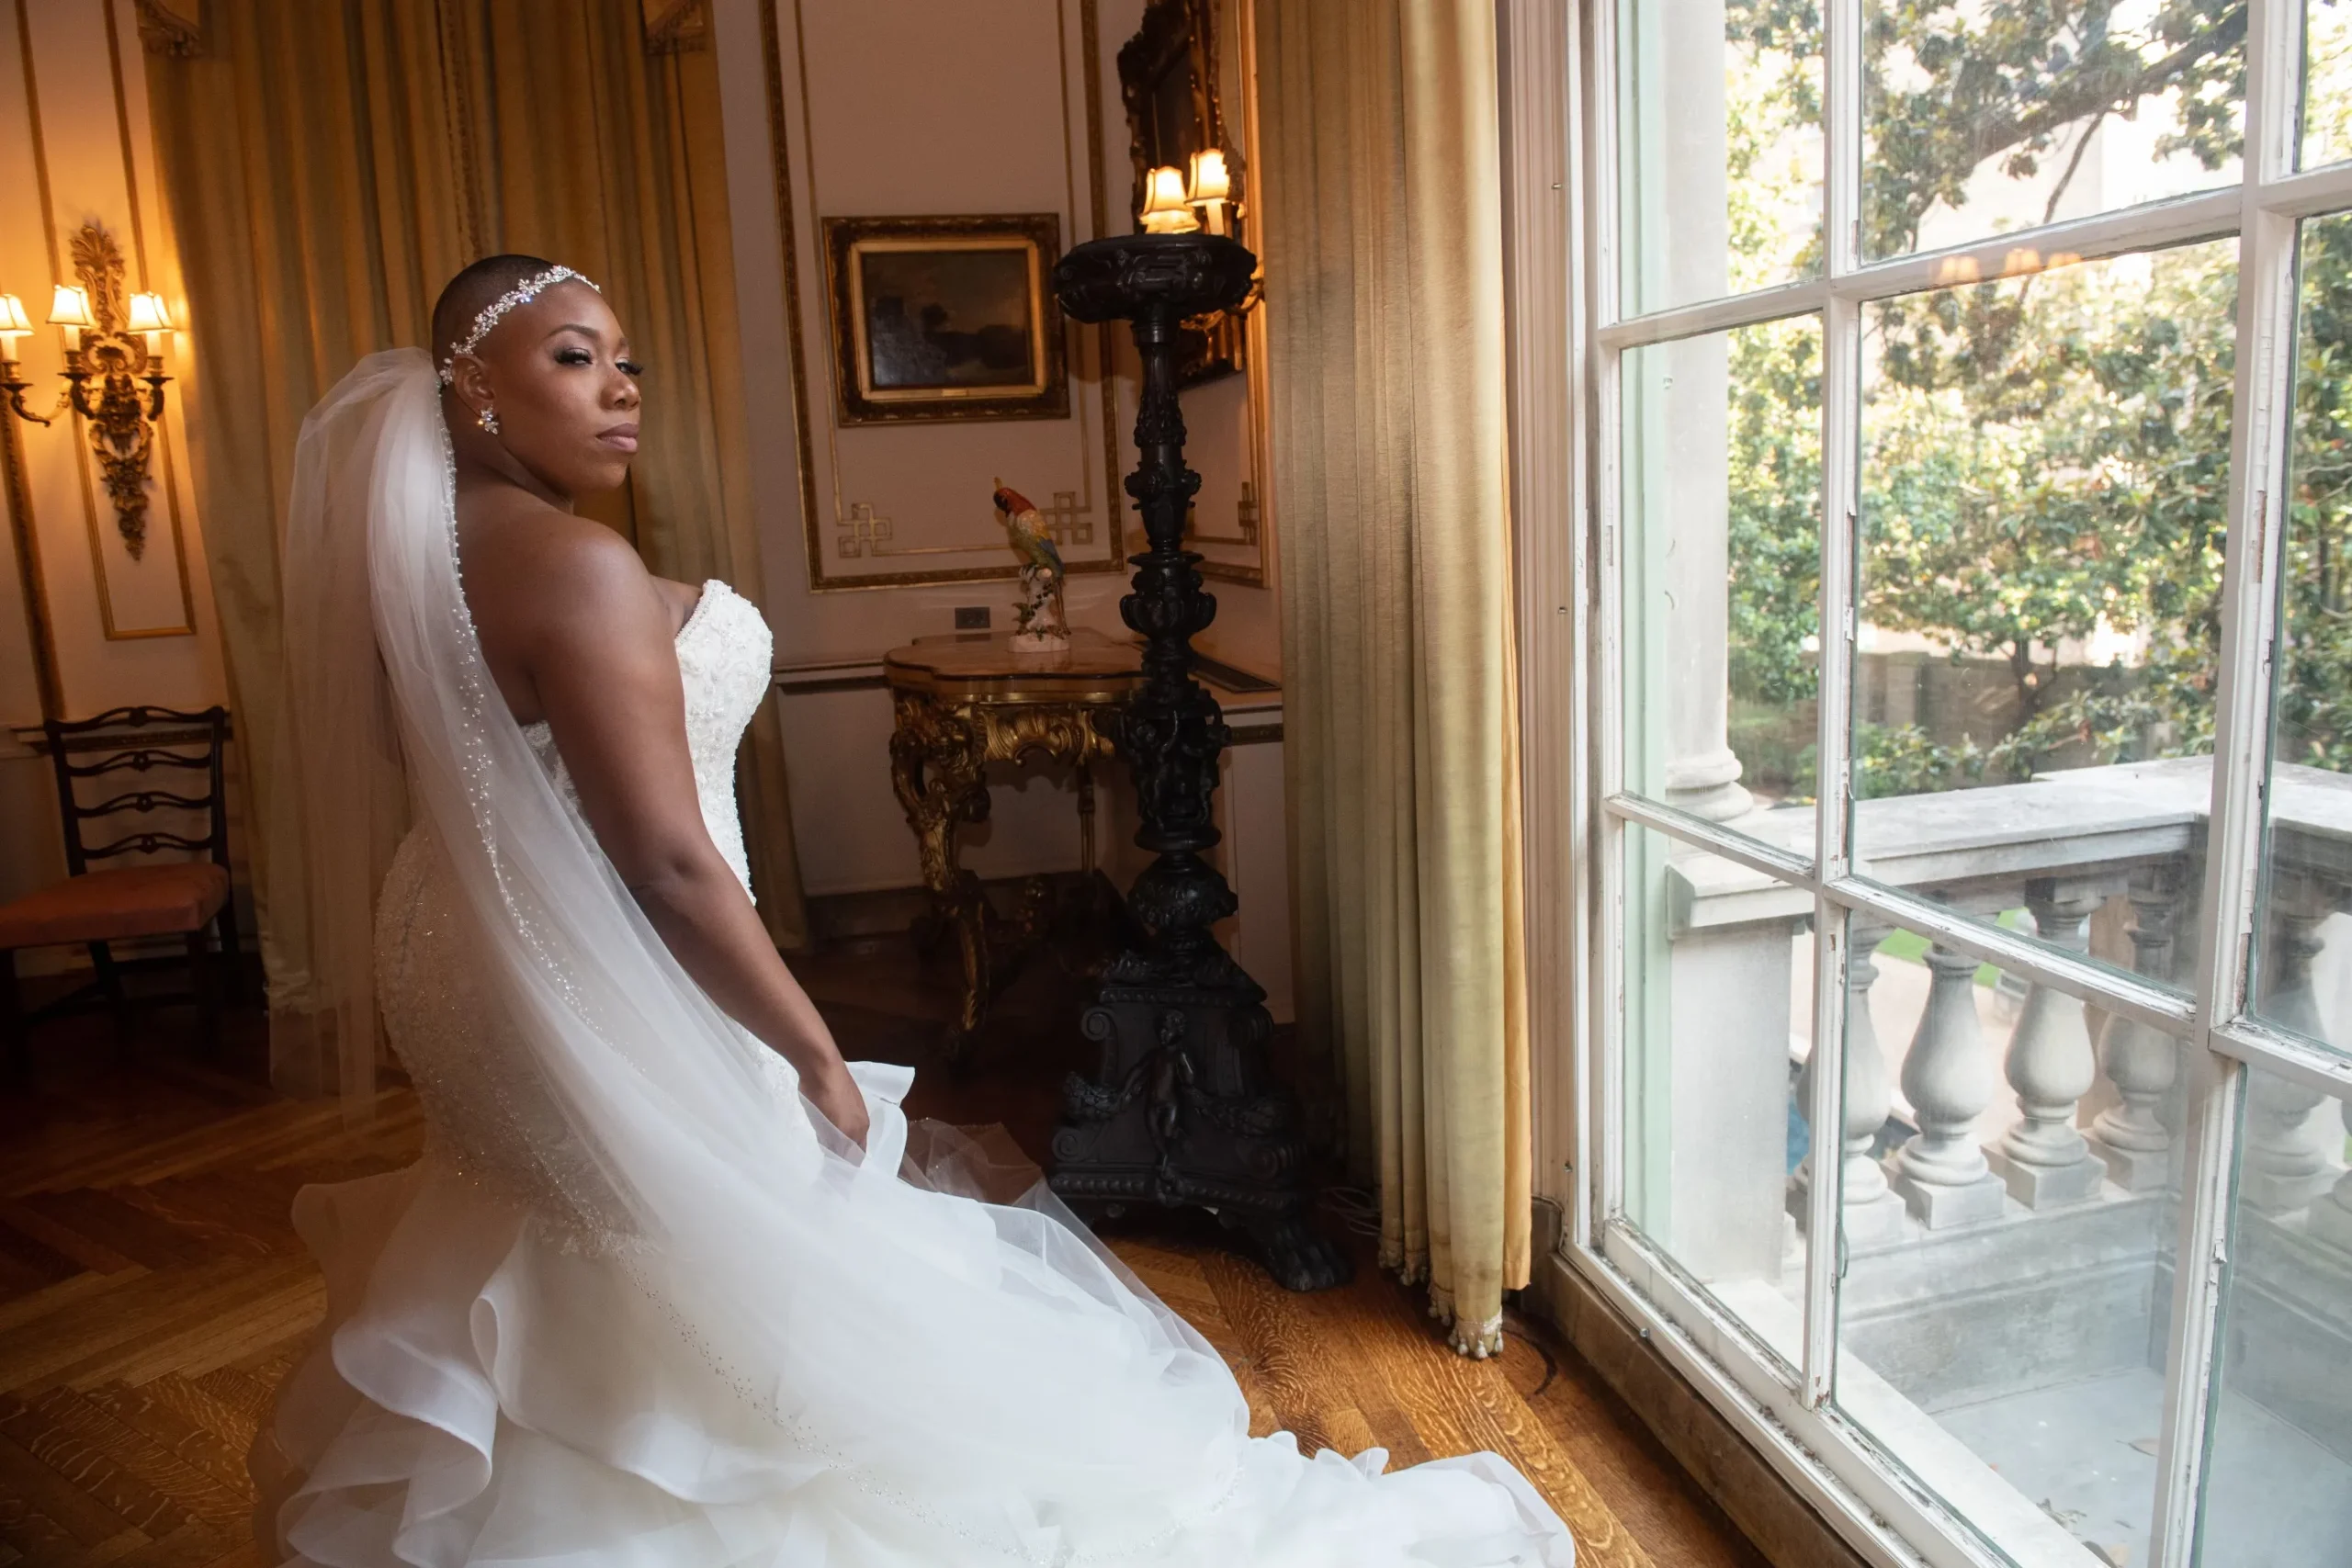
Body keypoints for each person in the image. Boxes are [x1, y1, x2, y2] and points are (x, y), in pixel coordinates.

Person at [254, 253, 1577, 1567]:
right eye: (574, 355)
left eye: (628, 358)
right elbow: (663, 861)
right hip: (597, 960)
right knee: (719, 1237)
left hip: (450, 950)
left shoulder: (417, 560)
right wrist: (815, 1055)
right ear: (472, 385)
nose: (623, 388)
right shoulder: (580, 566)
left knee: (564, 1231)